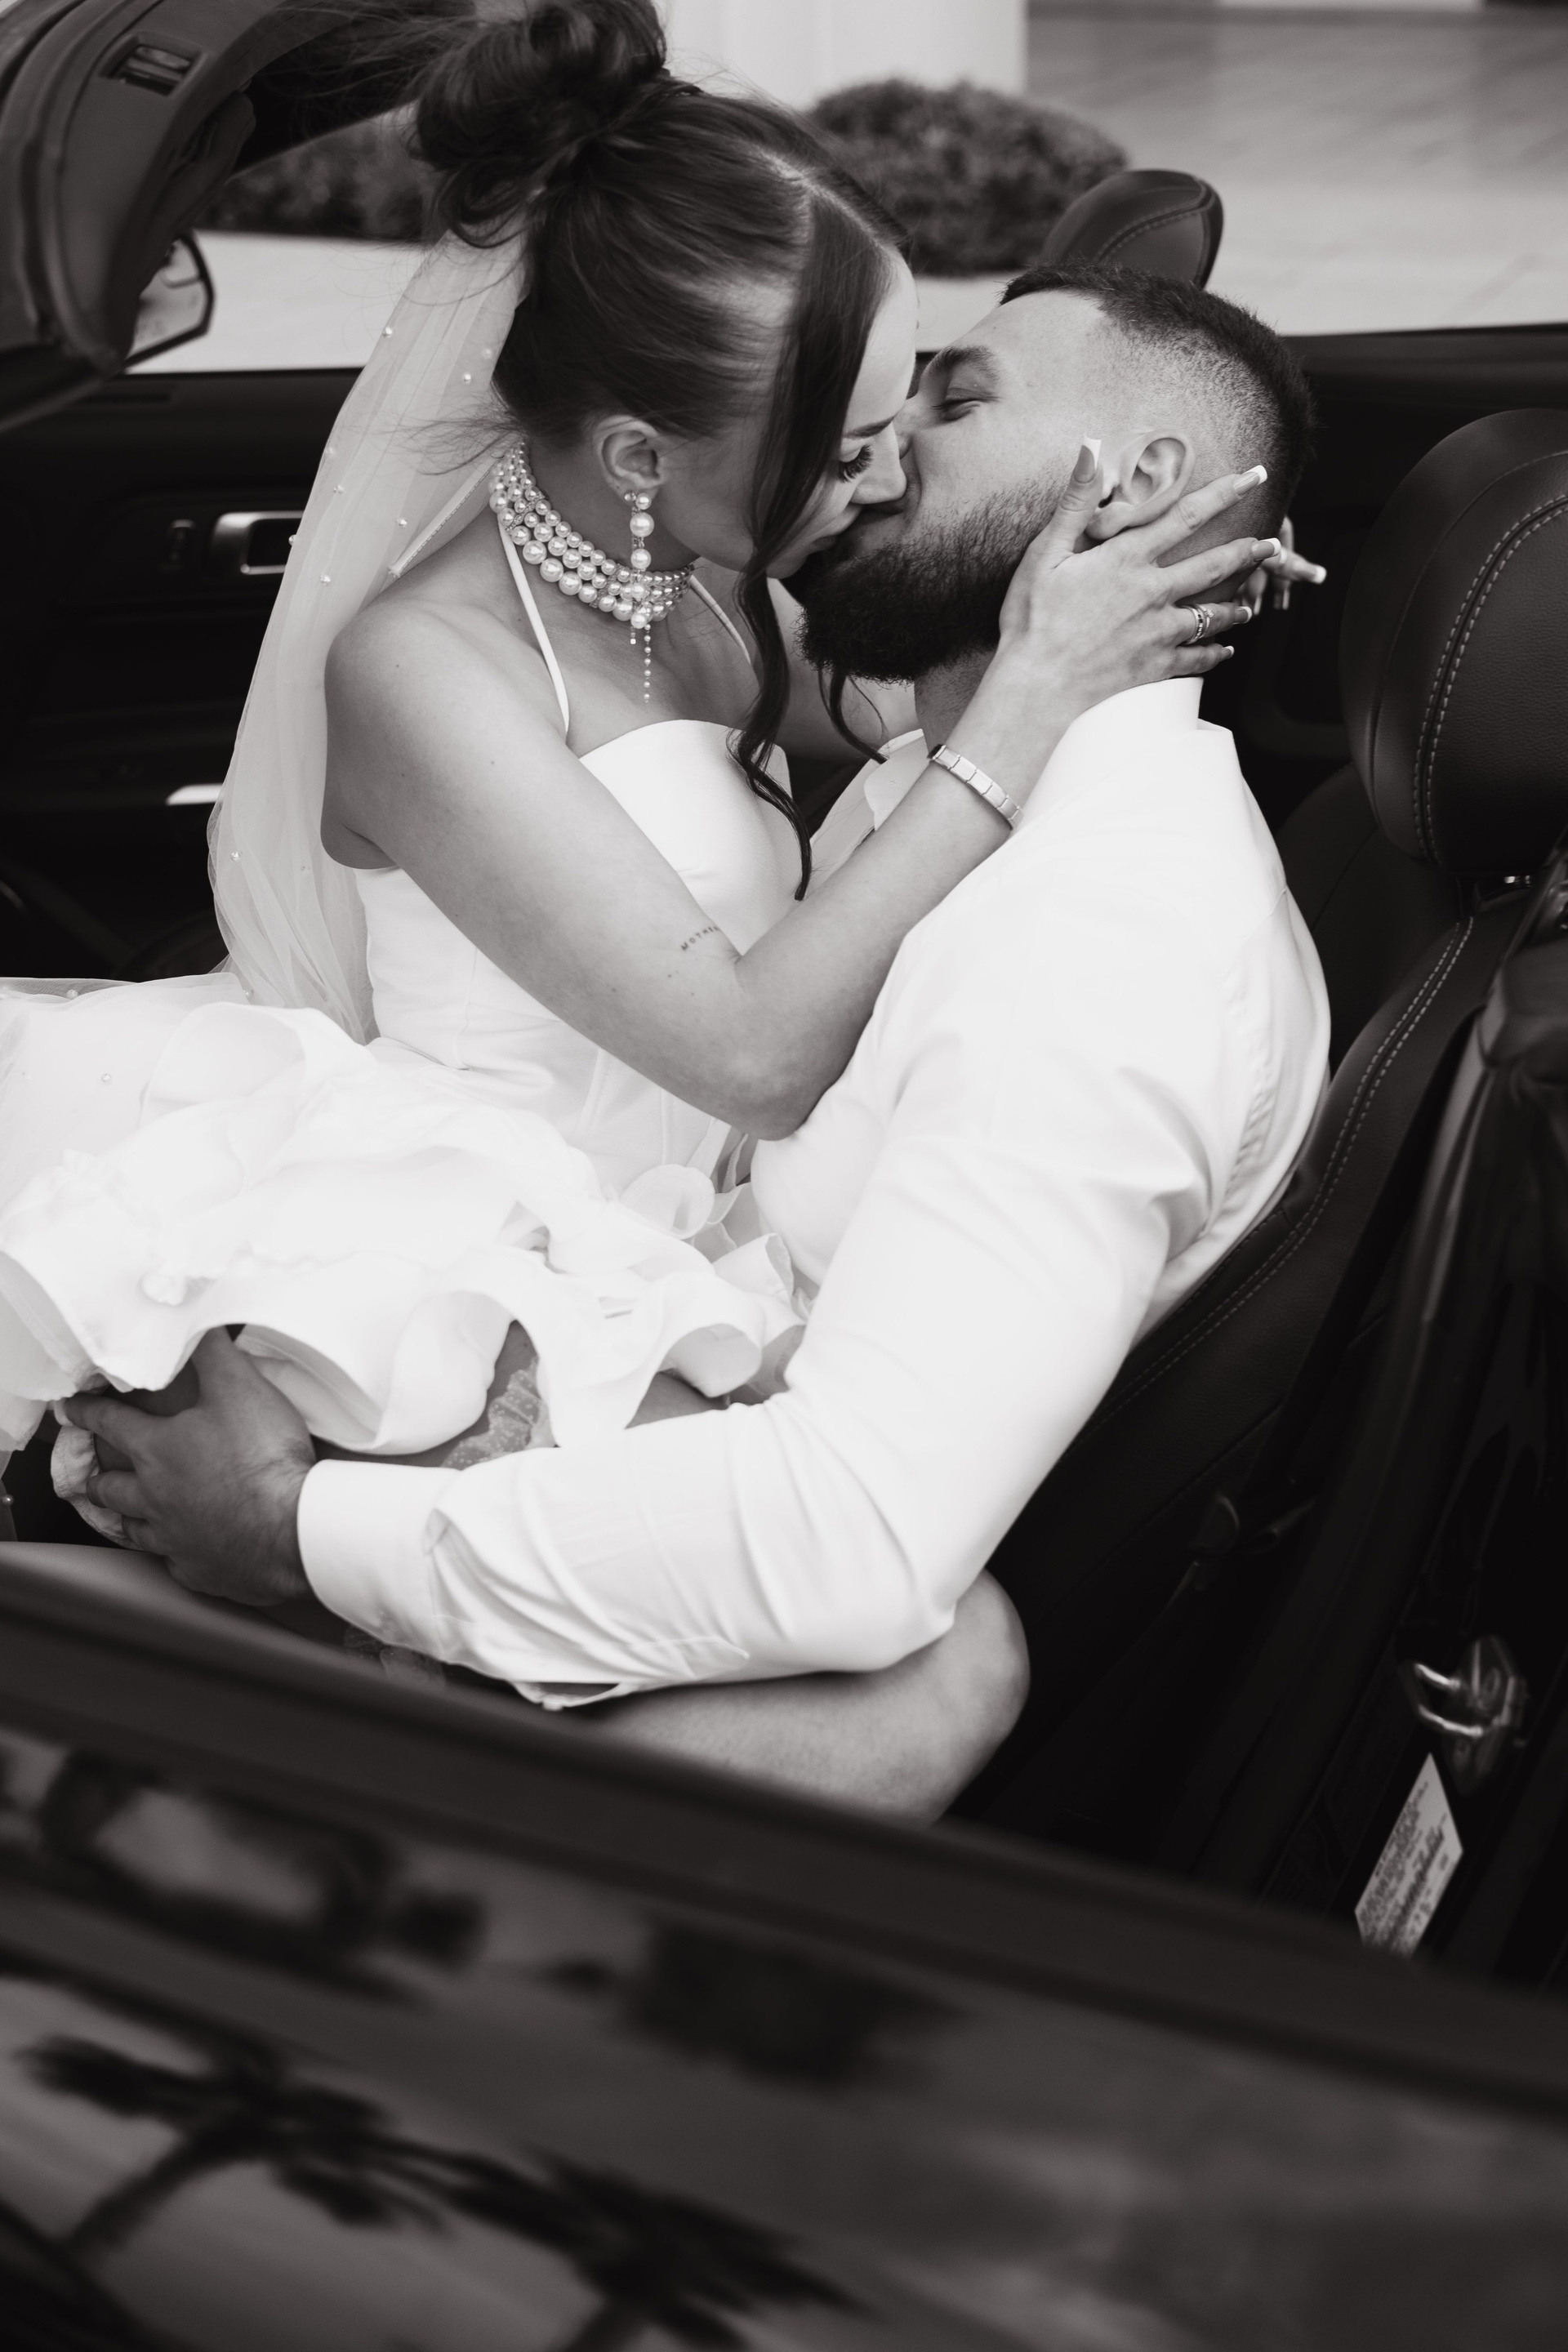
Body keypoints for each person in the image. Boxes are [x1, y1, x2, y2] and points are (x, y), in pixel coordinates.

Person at [69, 264, 1333, 1820]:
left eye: (954, 400)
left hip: (674, 1491)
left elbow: (855, 1530)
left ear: (1133, 487)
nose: (876, 454)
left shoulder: (1099, 944)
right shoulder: (983, 780)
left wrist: (293, 1525)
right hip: (603, 1332)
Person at [0, 0, 1297, 1484]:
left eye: (909, 407)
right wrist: (1032, 695)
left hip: (686, 1229)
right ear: (641, 456)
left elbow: (916, 688)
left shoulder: (717, 581)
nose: (888, 477)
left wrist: (1172, 543)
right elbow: (751, 1053)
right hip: (461, 1244)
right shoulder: (426, 673)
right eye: (846, 448)